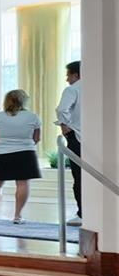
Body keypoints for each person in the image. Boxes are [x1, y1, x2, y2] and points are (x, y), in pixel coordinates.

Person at [0, 89, 42, 224]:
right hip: (25, 153)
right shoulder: (32, 116)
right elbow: (37, 138)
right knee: (22, 183)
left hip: (3, 153)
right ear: (24, 101)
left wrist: (8, 143)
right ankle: (18, 216)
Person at [56, 60, 82, 226]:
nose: (67, 79)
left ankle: (82, 213)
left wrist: (64, 126)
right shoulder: (97, 87)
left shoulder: (72, 89)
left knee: (78, 175)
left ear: (76, 75)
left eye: (68, 75)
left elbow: (61, 109)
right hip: (96, 136)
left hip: (76, 136)